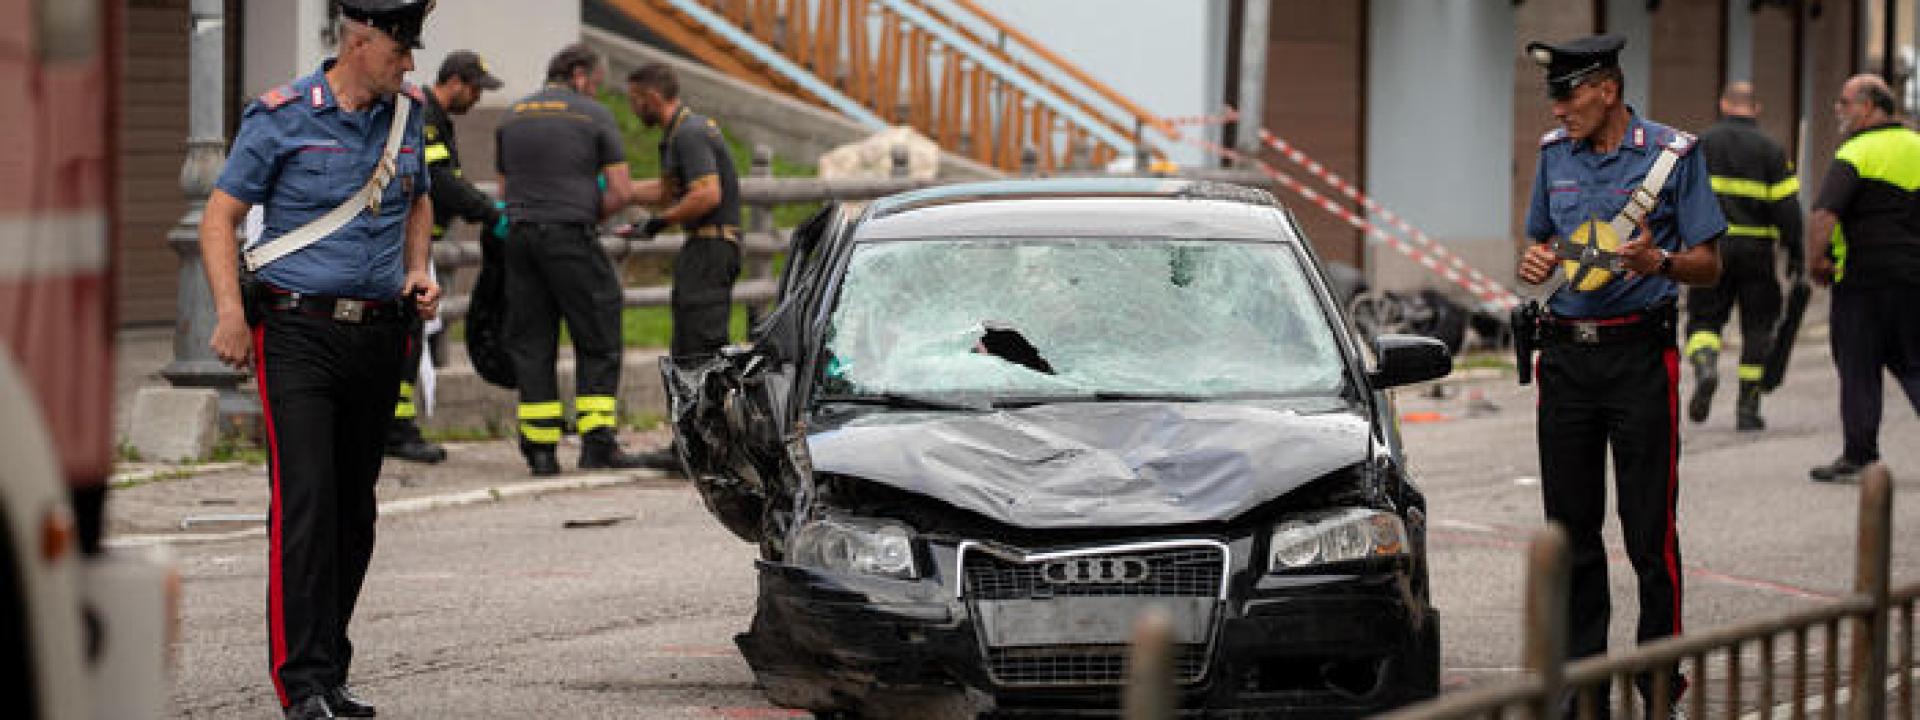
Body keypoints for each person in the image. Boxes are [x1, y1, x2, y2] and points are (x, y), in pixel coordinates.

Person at [198, 1, 438, 718]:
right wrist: (231, 316)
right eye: (399, 51)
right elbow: (220, 217)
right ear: (360, 42)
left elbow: (417, 196)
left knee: (354, 514)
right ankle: (300, 684)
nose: (409, 64)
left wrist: (416, 268)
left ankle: (330, 671)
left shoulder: (408, 114)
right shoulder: (279, 115)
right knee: (305, 508)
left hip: (380, 334)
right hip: (298, 334)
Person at [1517, 35, 1724, 715]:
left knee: (1648, 534)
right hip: (1568, 361)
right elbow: (1543, 238)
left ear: (1606, 88)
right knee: (1571, 536)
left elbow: (1709, 263)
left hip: (1640, 358)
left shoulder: (1673, 156)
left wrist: (1658, 263)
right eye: (1554, 94)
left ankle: (1659, 678)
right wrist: (1537, 262)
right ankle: (1586, 690)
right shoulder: (1553, 157)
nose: (1557, 107)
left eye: (1568, 92)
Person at [495, 43, 650, 475]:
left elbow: (506, 192)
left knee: (532, 342)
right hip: (571, 237)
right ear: (580, 75)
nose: (596, 93)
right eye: (596, 84)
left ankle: (541, 450)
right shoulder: (593, 115)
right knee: (598, 331)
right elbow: (619, 191)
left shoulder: (512, 114)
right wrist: (587, 214)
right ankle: (596, 442)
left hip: (521, 240)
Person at [382, 49, 509, 464]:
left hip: (411, 245)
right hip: (402, 247)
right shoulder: (426, 115)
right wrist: (490, 211)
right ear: (454, 81)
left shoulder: (435, 116)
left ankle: (392, 425)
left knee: (409, 337)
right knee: (406, 338)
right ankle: (396, 429)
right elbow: (438, 182)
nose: (476, 98)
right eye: (474, 89)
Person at [1804, 74, 1920, 483]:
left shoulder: (1858, 151)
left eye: (1845, 102)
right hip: (1912, 279)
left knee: (1858, 366)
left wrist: (1816, 262)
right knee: (1913, 364)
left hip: (1862, 279)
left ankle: (1859, 456)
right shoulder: (1918, 145)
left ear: (1869, 107)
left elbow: (1823, 215)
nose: (1840, 109)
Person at [1684, 81, 1805, 431]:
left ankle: (1706, 365)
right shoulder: (1771, 149)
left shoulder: (1702, 144)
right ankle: (1748, 407)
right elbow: (1787, 209)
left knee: (1704, 320)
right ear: (1757, 109)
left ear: (1723, 104)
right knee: (1758, 327)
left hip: (1711, 249)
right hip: (1757, 253)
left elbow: (1683, 198)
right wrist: (1795, 253)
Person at [626, 62, 743, 360]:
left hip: (711, 248)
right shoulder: (677, 133)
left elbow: (706, 194)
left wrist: (658, 223)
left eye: (635, 101)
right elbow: (667, 193)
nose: (633, 109)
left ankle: (711, 406)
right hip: (701, 248)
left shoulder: (690, 134)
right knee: (686, 340)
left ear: (652, 98)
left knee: (700, 346)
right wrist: (619, 190)